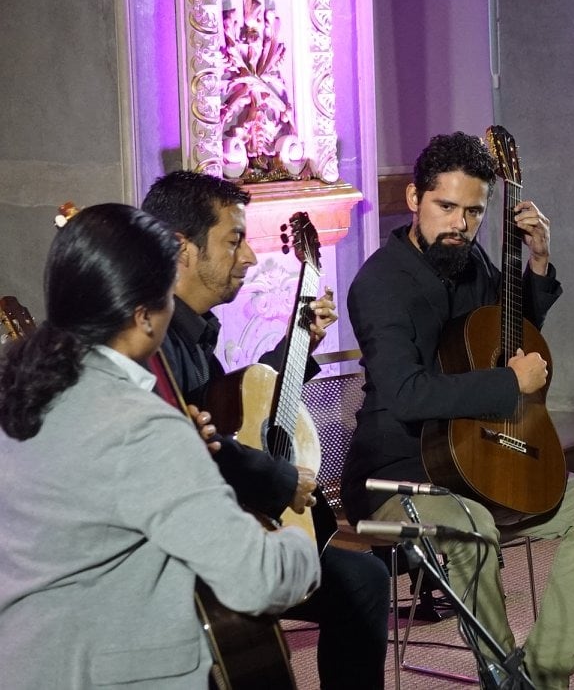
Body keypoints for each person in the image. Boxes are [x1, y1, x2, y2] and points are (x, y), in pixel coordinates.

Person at [342, 131, 574, 689]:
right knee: (473, 530)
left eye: (473, 212)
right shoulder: (380, 284)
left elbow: (509, 334)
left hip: (477, 461)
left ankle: (544, 671)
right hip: (394, 477)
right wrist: (505, 384)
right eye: (446, 207)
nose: (460, 225)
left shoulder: (471, 265)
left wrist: (539, 262)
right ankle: (499, 672)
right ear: (413, 199)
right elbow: (407, 393)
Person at [0, 204, 320, 687]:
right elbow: (257, 578)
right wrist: (300, 544)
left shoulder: (21, 389)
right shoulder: (141, 424)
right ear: (146, 316)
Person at [141, 171, 390, 689]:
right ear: (180, 249)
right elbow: (202, 450)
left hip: (238, 522)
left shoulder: (194, 335)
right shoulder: (157, 344)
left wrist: (298, 345)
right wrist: (282, 480)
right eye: (234, 241)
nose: (250, 258)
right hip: (192, 549)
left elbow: (237, 406)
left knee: (364, 579)